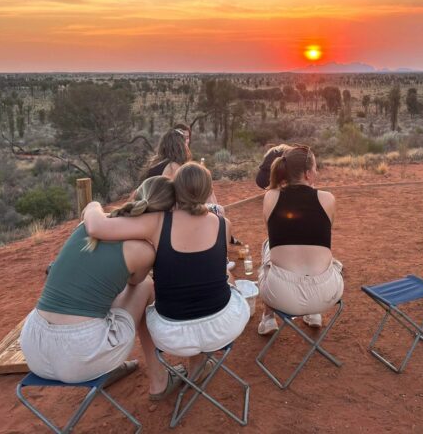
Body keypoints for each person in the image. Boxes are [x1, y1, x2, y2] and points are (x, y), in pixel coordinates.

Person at [84, 165, 250, 396]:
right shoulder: (223, 224)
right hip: (223, 328)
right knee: (223, 277)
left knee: (144, 290)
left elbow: (95, 226)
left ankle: (158, 377)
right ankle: (199, 365)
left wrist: (92, 206)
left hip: (172, 335)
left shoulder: (159, 222)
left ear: (176, 190)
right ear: (210, 191)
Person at [20, 177, 181, 399]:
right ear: (168, 213)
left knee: (97, 293)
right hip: (83, 354)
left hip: (33, 347)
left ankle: (111, 367)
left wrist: (94, 206)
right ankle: (159, 380)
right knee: (145, 286)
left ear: (134, 195)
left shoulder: (86, 226)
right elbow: (133, 285)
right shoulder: (143, 251)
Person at [256, 145, 343, 335]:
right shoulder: (327, 199)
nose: (317, 172)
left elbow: (274, 232)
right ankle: (314, 314)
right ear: (307, 174)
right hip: (325, 294)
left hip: (281, 295)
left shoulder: (271, 196)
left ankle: (268, 318)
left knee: (268, 245)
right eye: (315, 168)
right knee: (321, 249)